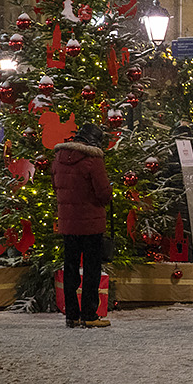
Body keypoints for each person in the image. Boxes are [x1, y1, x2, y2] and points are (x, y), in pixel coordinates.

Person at [52, 123, 114, 329]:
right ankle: (89, 314)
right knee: (91, 269)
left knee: (70, 268)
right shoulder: (93, 160)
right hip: (91, 223)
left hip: (68, 224)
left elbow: (56, 187)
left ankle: (71, 316)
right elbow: (103, 193)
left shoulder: (58, 159)